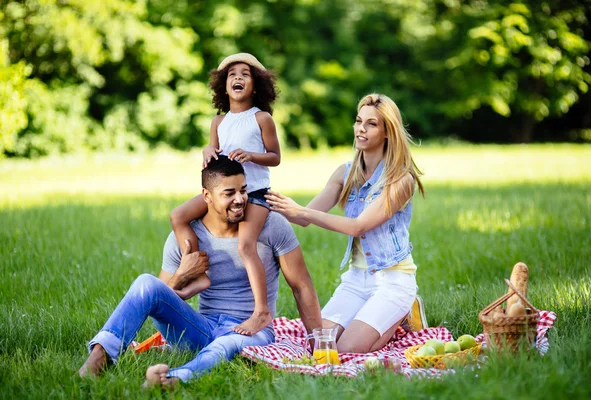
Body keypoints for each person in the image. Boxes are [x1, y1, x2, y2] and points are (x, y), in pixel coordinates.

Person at [78, 156, 321, 387]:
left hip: (252, 331)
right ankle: (98, 359)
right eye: (229, 193)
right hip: (201, 327)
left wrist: (318, 346)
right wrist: (182, 275)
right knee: (145, 283)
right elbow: (159, 298)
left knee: (226, 343)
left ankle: (173, 379)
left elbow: (301, 286)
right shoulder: (185, 237)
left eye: (243, 190)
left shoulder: (271, 226)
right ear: (207, 196)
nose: (240, 199)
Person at [266, 93, 425, 354]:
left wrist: (301, 211)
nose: (361, 128)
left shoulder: (400, 180)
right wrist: (266, 201)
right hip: (355, 280)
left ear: (388, 132)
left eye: (371, 124)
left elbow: (358, 226)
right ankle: (377, 316)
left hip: (392, 280)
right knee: (318, 347)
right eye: (358, 120)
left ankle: (403, 311)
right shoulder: (346, 172)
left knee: (345, 351)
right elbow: (303, 217)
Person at [170, 53, 280, 336]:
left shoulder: (261, 118)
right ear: (224, 86)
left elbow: (275, 157)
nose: (238, 78)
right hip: (222, 193)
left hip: (254, 193)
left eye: (245, 74)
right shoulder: (218, 122)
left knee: (245, 245)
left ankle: (261, 311)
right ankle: (198, 274)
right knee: (178, 216)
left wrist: (252, 155)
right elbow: (213, 155)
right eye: (232, 75)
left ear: (255, 86)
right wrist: (207, 150)